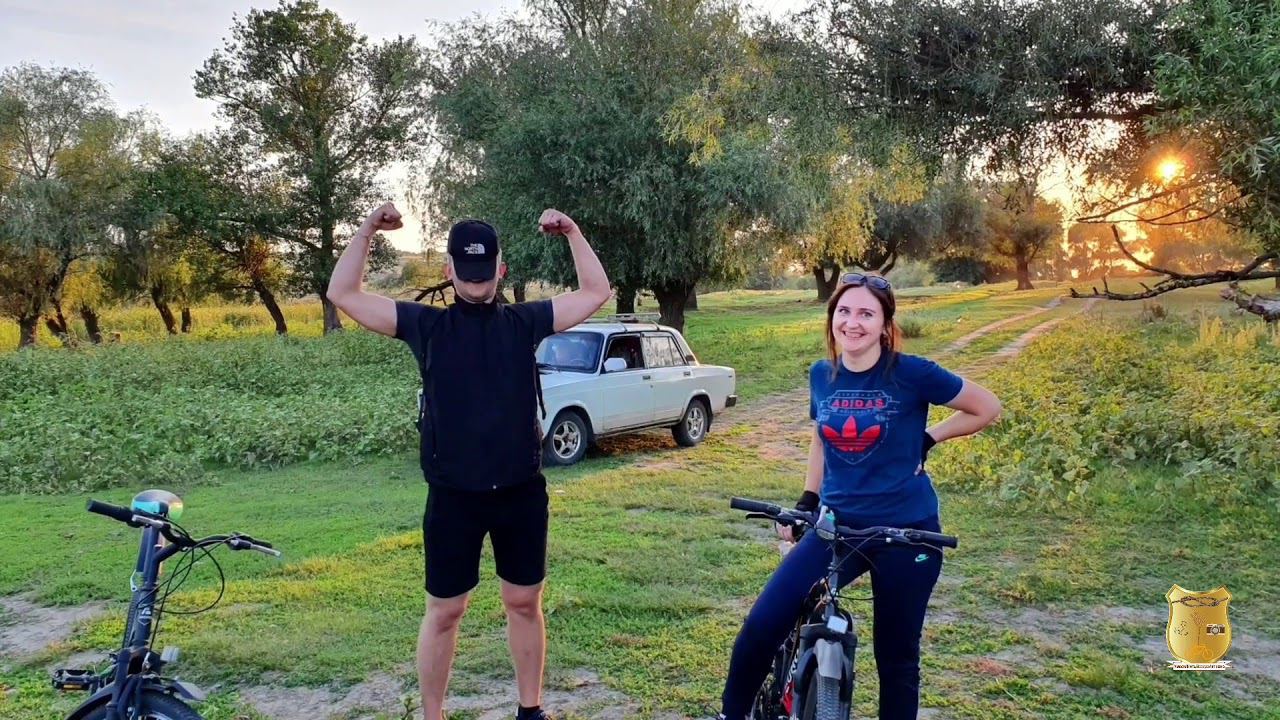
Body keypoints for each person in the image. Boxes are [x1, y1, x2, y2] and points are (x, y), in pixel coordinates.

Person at [327, 203, 610, 720]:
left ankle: (530, 711)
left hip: (520, 495)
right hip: (453, 498)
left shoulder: (525, 322)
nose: (476, 280)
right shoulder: (426, 326)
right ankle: (432, 715)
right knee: (445, 611)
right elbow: (343, 293)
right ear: (449, 269)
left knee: (523, 603)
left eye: (485, 270)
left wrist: (573, 230)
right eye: (467, 269)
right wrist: (366, 229)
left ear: (501, 269)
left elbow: (596, 291)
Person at [717, 273, 1001, 720]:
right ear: (832, 319)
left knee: (897, 659)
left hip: (906, 534)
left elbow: (986, 407)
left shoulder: (912, 373)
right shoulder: (822, 374)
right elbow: (821, 438)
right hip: (837, 527)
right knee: (762, 625)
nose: (853, 322)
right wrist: (807, 501)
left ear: (885, 324)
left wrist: (929, 437)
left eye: (867, 313)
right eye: (844, 312)